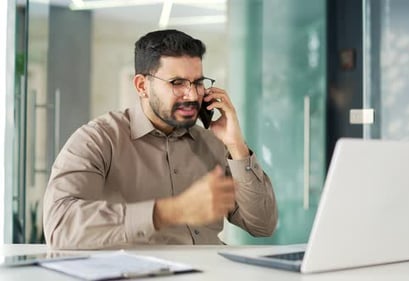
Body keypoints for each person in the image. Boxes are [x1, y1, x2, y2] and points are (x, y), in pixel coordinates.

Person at [43, 29, 278, 249]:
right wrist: (172, 211)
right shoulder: (98, 139)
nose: (193, 94)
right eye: (177, 83)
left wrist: (237, 147)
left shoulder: (214, 141)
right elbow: (59, 226)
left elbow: (262, 225)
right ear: (142, 86)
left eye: (197, 82)